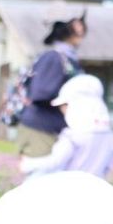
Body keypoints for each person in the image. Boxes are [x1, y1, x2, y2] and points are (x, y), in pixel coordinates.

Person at [20, 74, 113, 179]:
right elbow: (107, 167)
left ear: (75, 106)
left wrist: (27, 164)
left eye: (64, 107)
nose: (63, 112)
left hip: (71, 189)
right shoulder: (110, 137)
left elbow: (55, 162)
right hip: (95, 189)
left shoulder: (72, 137)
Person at [17, 11, 86, 159]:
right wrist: (65, 106)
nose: (81, 29)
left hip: (56, 129)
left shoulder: (69, 59)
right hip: (40, 127)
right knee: (41, 178)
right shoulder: (54, 57)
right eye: (77, 26)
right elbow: (41, 93)